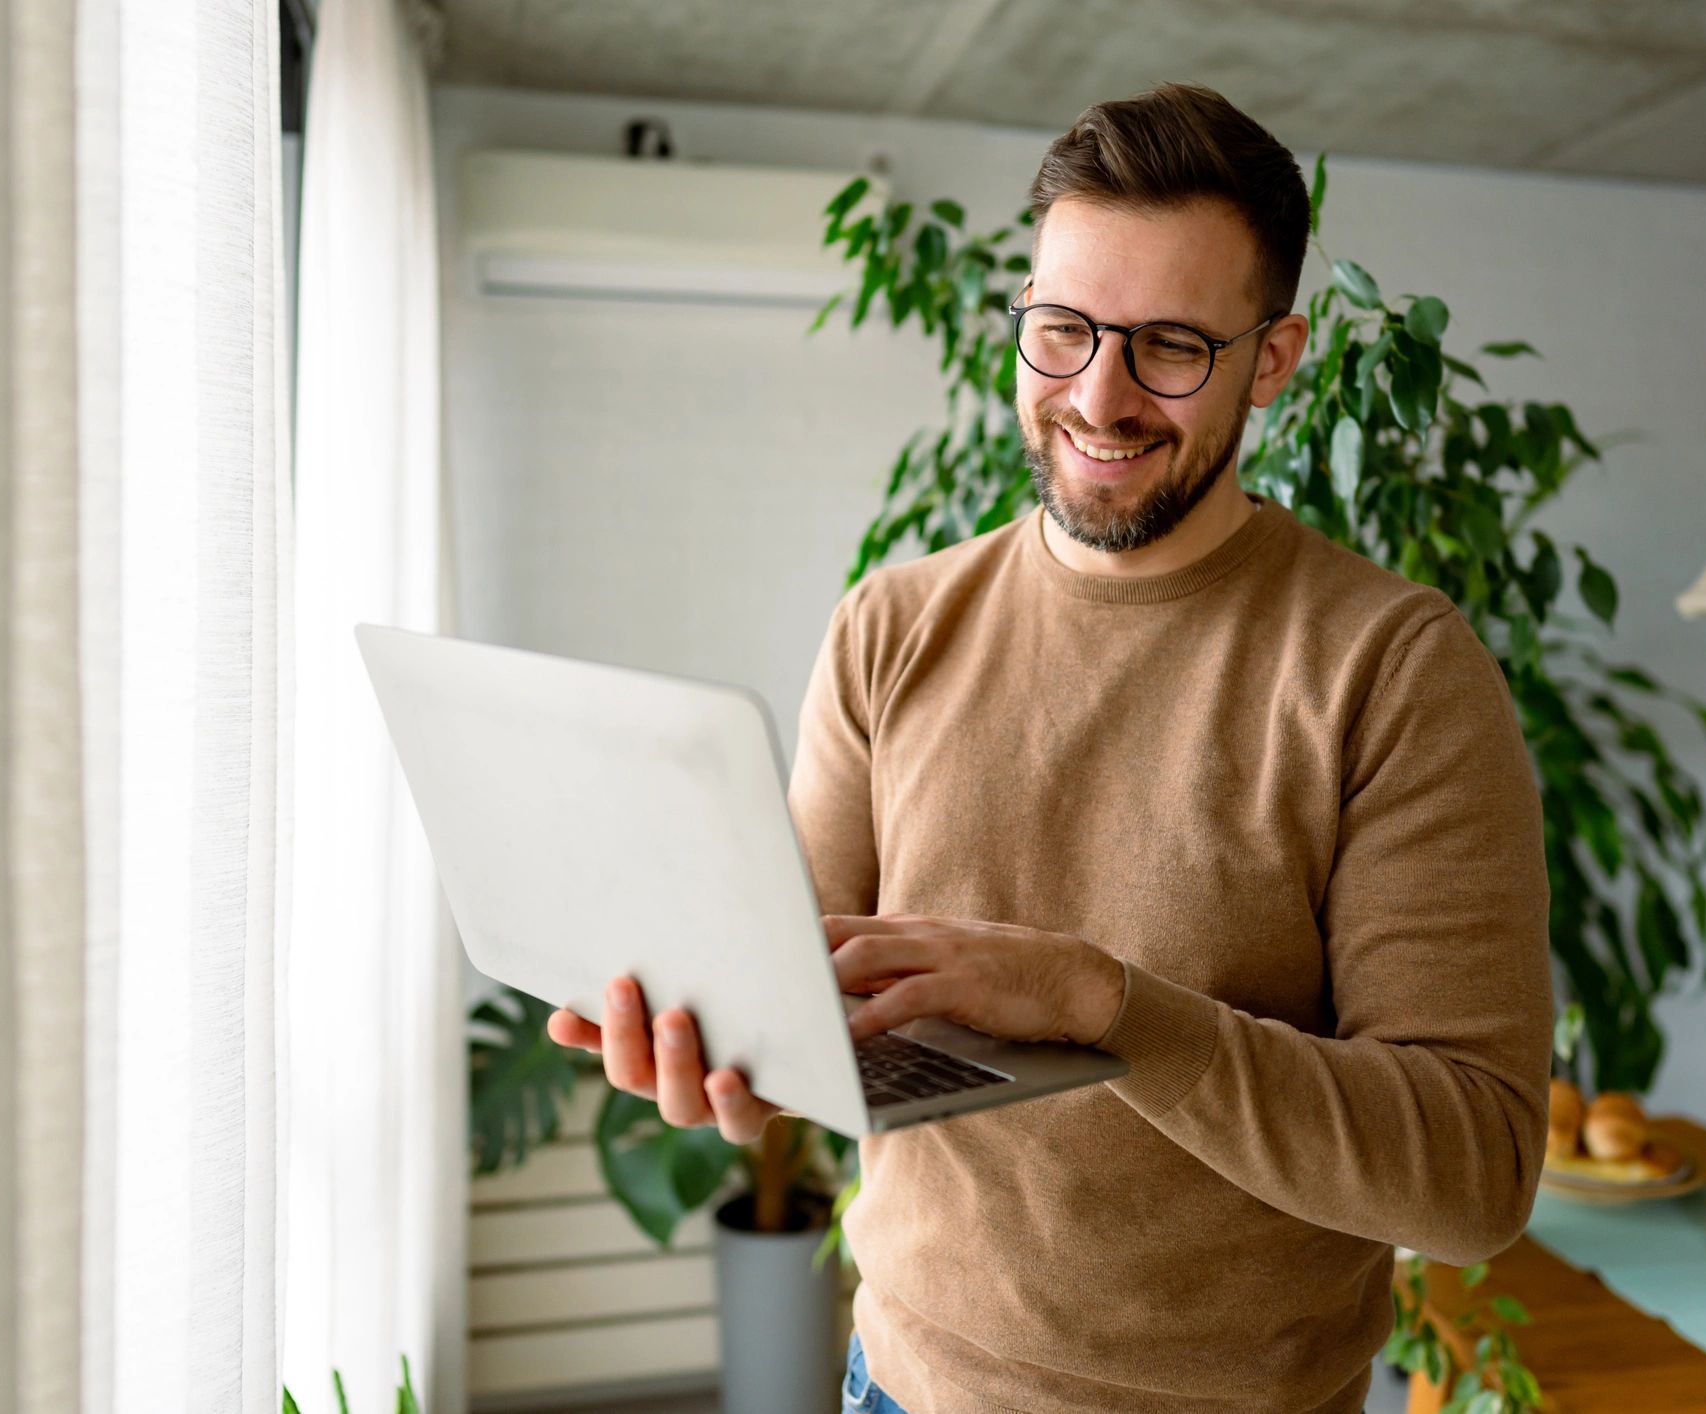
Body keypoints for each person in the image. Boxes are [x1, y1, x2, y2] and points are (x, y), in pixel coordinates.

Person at [550, 81, 1553, 1414]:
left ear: (1272, 359)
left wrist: (1105, 1004)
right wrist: (718, 1064)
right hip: (897, 1384)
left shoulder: (1393, 670)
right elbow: (803, 1023)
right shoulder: (891, 625)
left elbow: (1474, 1177)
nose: (1099, 396)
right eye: (1064, 330)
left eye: (1170, 346)